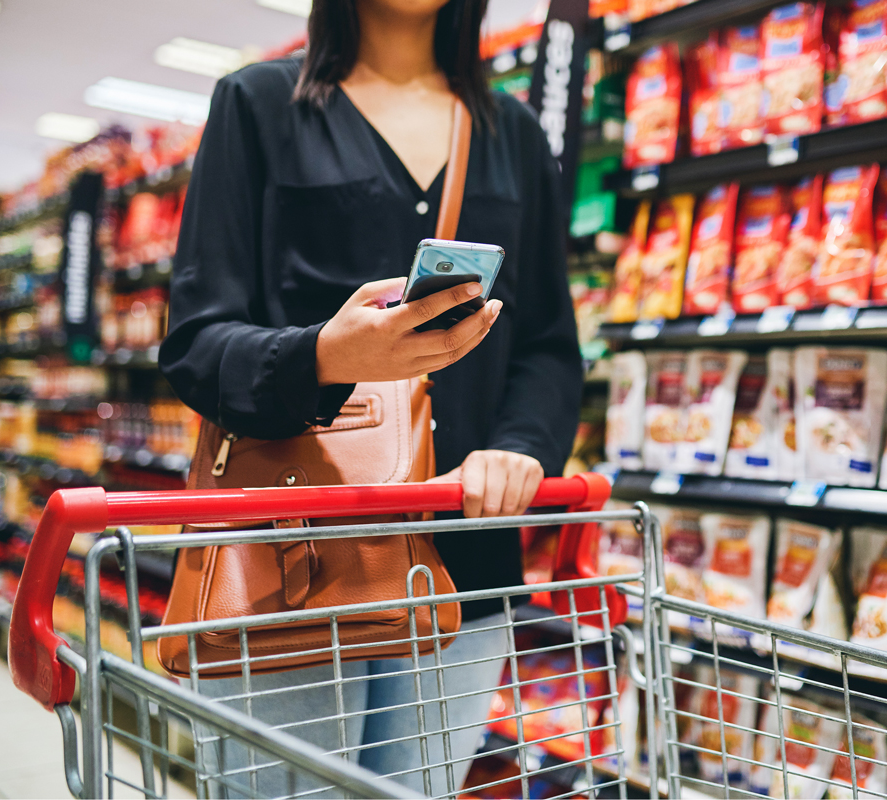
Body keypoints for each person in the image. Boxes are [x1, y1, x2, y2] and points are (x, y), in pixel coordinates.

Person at [159, 0, 583, 792]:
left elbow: (549, 343)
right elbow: (195, 344)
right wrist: (323, 356)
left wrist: (521, 445)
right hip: (289, 560)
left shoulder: (513, 134)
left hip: (465, 562)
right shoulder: (256, 105)